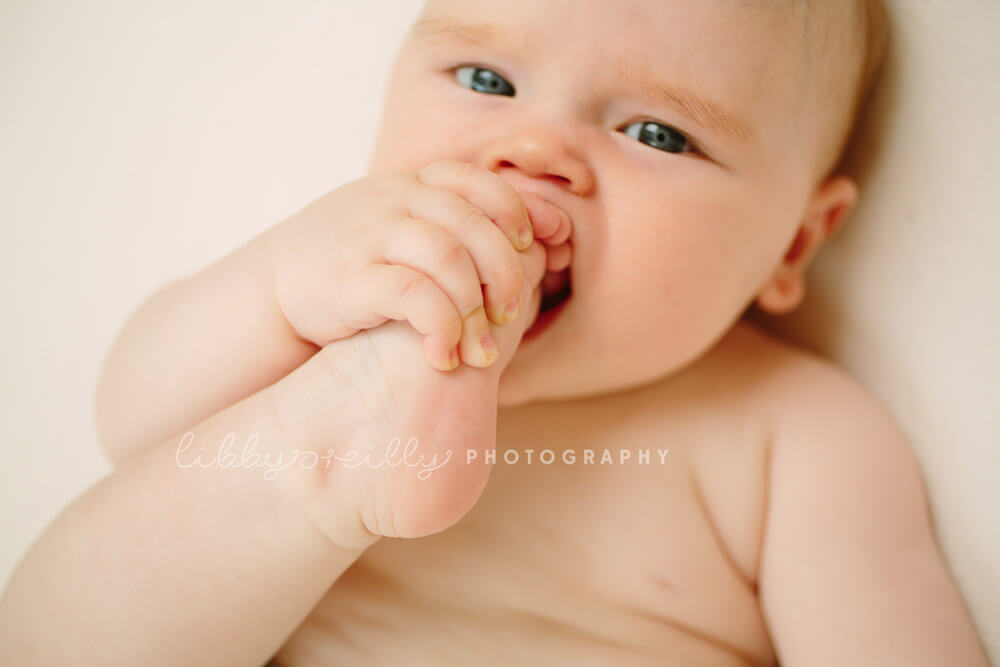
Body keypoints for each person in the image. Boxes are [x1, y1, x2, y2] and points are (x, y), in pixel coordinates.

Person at [0, 0, 990, 664]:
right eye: (483, 78)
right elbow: (131, 424)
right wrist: (273, 287)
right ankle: (317, 461)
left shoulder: (793, 435)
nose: (533, 150)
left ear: (795, 242)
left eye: (656, 133)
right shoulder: (313, 302)